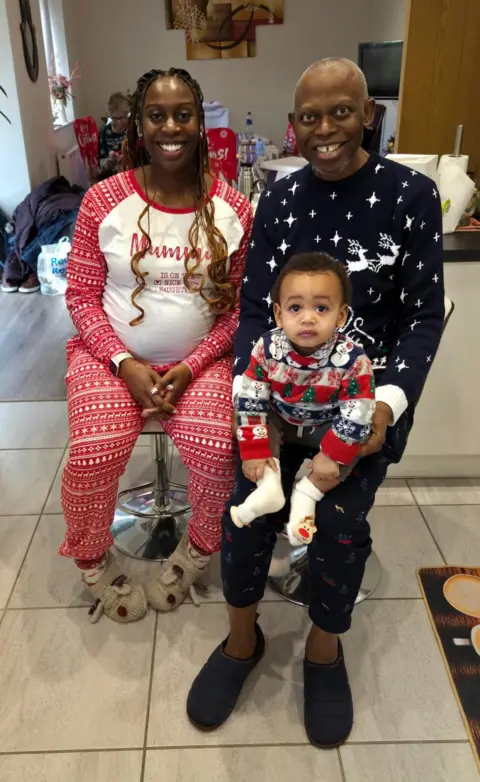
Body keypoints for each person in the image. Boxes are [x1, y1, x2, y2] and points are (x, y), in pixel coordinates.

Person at [187, 58, 445, 748]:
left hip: (364, 402)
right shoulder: (282, 198)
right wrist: (258, 408)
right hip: (277, 396)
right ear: (293, 124)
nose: (325, 129)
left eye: (340, 112)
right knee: (245, 509)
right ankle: (243, 642)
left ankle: (325, 652)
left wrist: (386, 407)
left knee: (335, 521)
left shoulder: (411, 195)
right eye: (310, 116)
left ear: (369, 116)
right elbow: (251, 310)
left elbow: (424, 318)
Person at [60, 67, 252, 623]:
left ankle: (196, 553)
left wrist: (191, 367)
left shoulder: (234, 209)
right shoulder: (103, 200)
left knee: (221, 450)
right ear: (138, 125)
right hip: (110, 359)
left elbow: (239, 307)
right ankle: (94, 566)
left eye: (183, 113)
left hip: (203, 362)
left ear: (201, 123)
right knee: (93, 453)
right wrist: (124, 364)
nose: (171, 125)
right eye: (157, 114)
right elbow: (80, 296)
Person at [231, 252, 375, 549]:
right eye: (295, 307)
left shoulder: (353, 359)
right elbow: (251, 399)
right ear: (279, 314)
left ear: (342, 316)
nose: (308, 318)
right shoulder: (267, 348)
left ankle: (307, 494)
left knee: (356, 443)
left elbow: (357, 412)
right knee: (256, 424)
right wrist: (255, 450)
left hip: (327, 423)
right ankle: (270, 487)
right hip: (281, 417)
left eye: (322, 308)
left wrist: (332, 454)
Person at [98, 92, 130, 176]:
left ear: (127, 114)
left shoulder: (132, 128)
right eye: (115, 118)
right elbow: (101, 162)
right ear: (110, 115)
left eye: (122, 117)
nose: (119, 122)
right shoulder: (105, 132)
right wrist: (110, 161)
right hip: (113, 176)